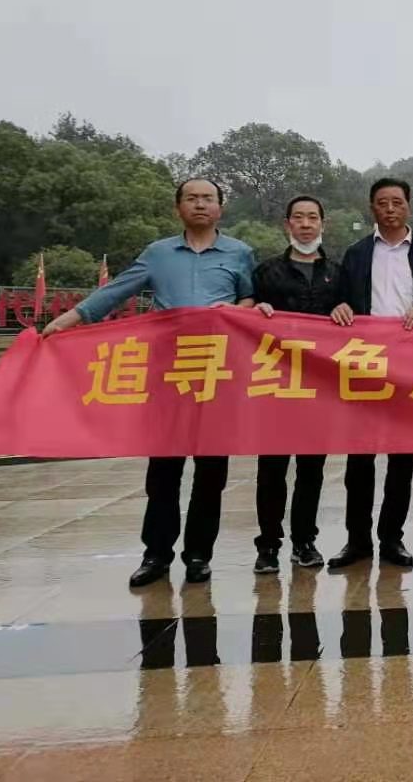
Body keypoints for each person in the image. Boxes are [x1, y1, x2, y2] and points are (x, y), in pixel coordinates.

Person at [41, 178, 256, 588]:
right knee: (163, 472)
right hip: (168, 376)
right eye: (191, 198)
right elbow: (115, 292)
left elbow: (250, 298)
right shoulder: (158, 254)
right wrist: (65, 322)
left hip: (217, 376)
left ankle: (199, 555)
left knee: (211, 473)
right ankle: (156, 554)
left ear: (220, 208)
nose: (200, 204)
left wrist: (236, 308)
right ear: (178, 208)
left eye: (207, 198)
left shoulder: (240, 253)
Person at [327, 177, 413, 571]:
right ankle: (357, 540)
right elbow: (340, 297)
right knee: (359, 461)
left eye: (397, 202)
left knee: (401, 459)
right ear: (372, 208)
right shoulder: (357, 253)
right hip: (364, 363)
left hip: (408, 365)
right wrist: (340, 307)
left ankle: (392, 538)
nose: (390, 209)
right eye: (382, 202)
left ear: (408, 206)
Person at [249, 195, 340, 574]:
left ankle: (304, 541)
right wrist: (256, 310)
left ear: (322, 224)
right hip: (275, 383)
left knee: (311, 470)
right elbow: (244, 314)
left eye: (312, 217)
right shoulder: (266, 272)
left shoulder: (338, 273)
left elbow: (356, 318)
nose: (305, 224)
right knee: (271, 469)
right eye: (298, 218)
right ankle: (268, 545)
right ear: (287, 224)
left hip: (319, 388)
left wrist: (346, 308)